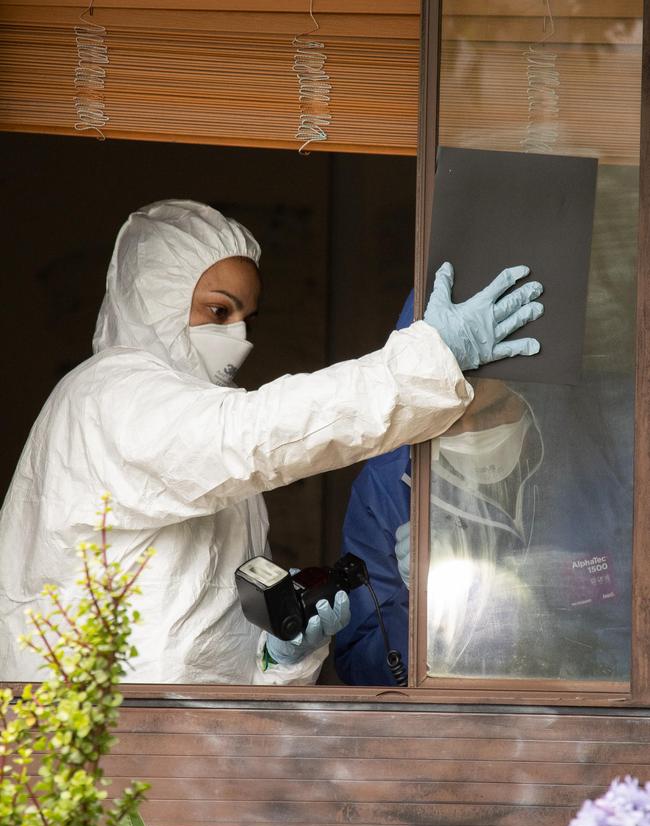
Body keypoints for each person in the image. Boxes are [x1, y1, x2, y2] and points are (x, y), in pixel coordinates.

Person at [0, 200, 544, 685]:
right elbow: (258, 436)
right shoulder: (110, 396)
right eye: (218, 311)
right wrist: (429, 362)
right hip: (103, 739)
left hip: (193, 748)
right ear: (155, 301)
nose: (238, 335)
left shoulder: (210, 446)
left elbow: (210, 638)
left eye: (245, 316)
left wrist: (278, 660)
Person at [335, 297, 633, 686]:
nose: (472, 434)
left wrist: (544, 600)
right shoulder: (389, 487)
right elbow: (361, 665)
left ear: (531, 394)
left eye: (493, 412)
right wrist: (422, 606)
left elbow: (631, 622)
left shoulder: (595, 458)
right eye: (450, 419)